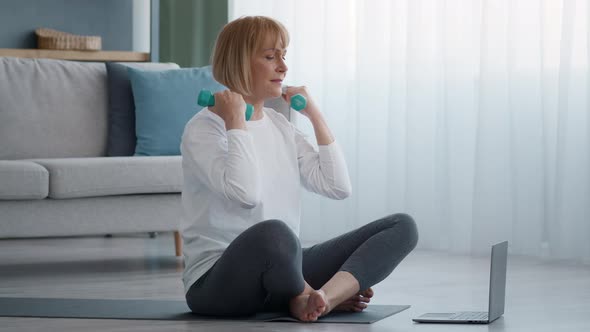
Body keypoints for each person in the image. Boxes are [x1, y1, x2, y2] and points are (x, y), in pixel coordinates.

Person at [180, 16, 418, 322]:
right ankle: (300, 295)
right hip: (217, 282)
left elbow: (337, 187)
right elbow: (246, 194)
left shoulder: (280, 125)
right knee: (275, 233)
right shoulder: (203, 129)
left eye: (283, 55)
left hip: (283, 267)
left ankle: (324, 299)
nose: (283, 67)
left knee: (402, 226)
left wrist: (313, 114)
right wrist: (236, 123)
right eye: (270, 57)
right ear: (240, 62)